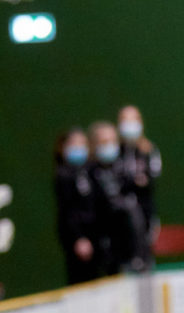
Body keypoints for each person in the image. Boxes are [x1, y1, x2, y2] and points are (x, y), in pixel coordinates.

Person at [88, 120, 147, 274]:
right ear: (94, 145)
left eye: (113, 141)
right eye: (104, 142)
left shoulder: (122, 168)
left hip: (127, 251)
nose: (110, 146)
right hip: (102, 250)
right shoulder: (88, 174)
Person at [53, 127, 103, 284]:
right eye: (74, 144)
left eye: (82, 144)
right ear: (63, 148)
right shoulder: (63, 175)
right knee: (80, 279)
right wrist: (78, 238)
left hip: (96, 236)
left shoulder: (91, 171)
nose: (79, 148)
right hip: (78, 239)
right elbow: (67, 211)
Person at [117, 104, 161, 270]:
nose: (129, 124)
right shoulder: (115, 151)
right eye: (125, 120)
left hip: (145, 214)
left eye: (133, 119)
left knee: (144, 260)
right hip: (119, 219)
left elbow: (150, 178)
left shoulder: (148, 150)